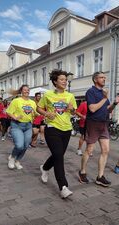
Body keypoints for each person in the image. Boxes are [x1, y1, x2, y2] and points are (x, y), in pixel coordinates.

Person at [37, 69, 77, 199]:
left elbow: (73, 112)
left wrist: (72, 110)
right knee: (59, 156)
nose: (64, 82)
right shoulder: (48, 95)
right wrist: (46, 113)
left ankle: (45, 167)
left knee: (57, 155)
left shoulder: (70, 96)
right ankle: (63, 187)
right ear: (55, 81)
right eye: (62, 79)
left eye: (65, 80)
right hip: (52, 127)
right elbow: (39, 107)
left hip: (66, 129)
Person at [78, 71, 119, 187]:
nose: (104, 79)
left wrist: (114, 103)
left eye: (104, 77)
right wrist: (104, 98)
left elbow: (107, 109)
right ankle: (82, 171)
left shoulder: (103, 93)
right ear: (95, 79)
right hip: (93, 124)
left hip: (104, 124)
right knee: (89, 150)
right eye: (101, 77)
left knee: (106, 150)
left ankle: (100, 176)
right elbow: (92, 109)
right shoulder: (91, 92)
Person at [6, 85, 36, 170]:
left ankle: (17, 161)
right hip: (17, 125)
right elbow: (8, 112)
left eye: (28, 90)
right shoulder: (16, 101)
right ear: (21, 91)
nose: (27, 91)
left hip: (28, 126)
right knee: (19, 145)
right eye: (25, 90)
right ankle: (12, 158)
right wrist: (14, 117)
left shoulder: (32, 102)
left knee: (26, 145)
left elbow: (34, 113)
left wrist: (37, 115)